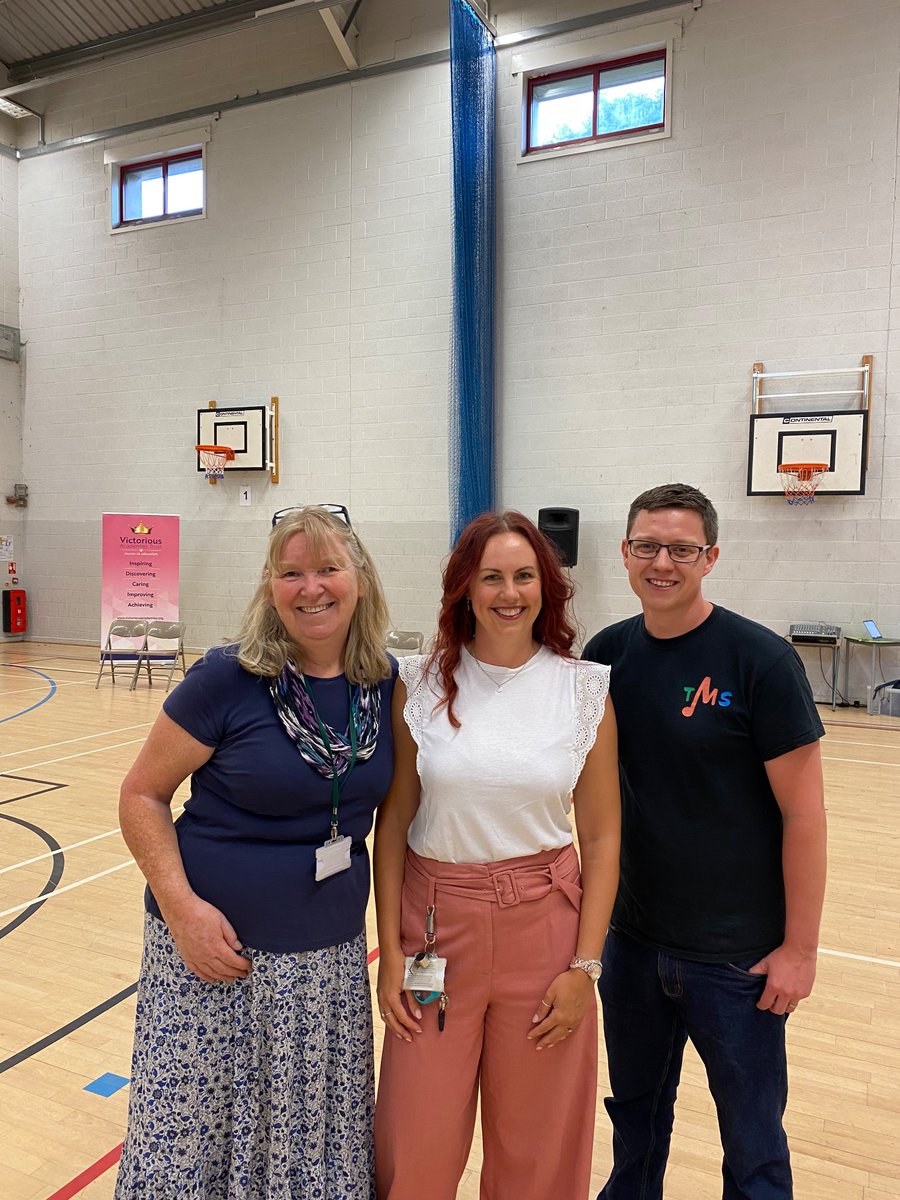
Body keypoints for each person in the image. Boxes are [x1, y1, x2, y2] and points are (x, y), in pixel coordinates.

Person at [115, 505, 396, 1200]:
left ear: (359, 578)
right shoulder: (227, 677)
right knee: (192, 1143)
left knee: (305, 1146)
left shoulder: (385, 683)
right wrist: (181, 910)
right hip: (211, 958)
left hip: (324, 966)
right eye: (291, 572)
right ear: (270, 585)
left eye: (328, 568)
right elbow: (141, 795)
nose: (311, 588)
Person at [582, 483, 827, 1200]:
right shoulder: (606, 656)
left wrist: (800, 950)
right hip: (633, 946)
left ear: (710, 558)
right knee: (634, 1127)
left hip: (737, 960)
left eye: (681, 550)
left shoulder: (761, 660)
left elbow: (805, 817)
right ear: (625, 552)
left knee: (753, 1146)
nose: (662, 563)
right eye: (647, 547)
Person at [374, 510, 621, 1200]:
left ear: (546, 586)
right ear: (464, 588)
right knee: (417, 1138)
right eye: (491, 577)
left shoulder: (584, 689)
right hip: (435, 931)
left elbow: (603, 837)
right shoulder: (419, 682)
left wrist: (586, 967)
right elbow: (393, 824)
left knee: (538, 1152)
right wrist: (389, 954)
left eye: (523, 576)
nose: (509, 593)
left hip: (544, 932)